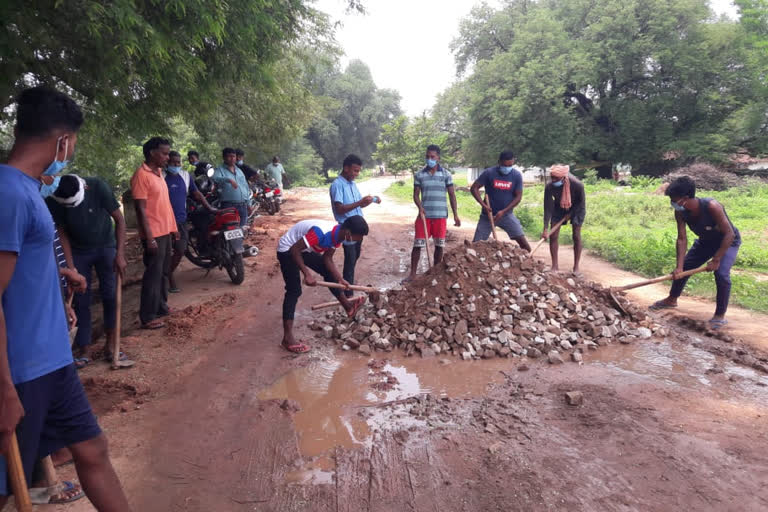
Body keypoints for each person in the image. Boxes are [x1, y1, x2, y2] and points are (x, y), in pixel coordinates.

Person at [0, 86, 132, 512]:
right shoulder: (9, 195)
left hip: (54, 360)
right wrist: (3, 389)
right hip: (21, 370)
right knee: (7, 486)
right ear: (63, 141)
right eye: (72, 143)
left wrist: (62, 272)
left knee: (92, 450)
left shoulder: (29, 190)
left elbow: (17, 262)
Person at [46, 174, 128, 366]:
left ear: (85, 190)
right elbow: (61, 232)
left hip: (106, 247)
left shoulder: (97, 186)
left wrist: (120, 254)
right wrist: (70, 266)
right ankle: (84, 348)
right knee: (81, 298)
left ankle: (112, 344)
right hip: (78, 252)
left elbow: (120, 219)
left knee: (110, 295)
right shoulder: (54, 197)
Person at [650, 176, 741, 330]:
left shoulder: (712, 206)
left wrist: (717, 259)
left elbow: (729, 234)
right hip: (705, 242)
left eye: (674, 199)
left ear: (685, 198)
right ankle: (672, 299)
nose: (672, 203)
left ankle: (719, 315)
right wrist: (679, 267)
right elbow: (681, 239)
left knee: (721, 274)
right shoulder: (680, 212)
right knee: (684, 267)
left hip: (727, 243)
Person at [277, 216, 369, 353]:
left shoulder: (338, 235)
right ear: (348, 233)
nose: (356, 241)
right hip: (288, 249)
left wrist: (340, 279)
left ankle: (348, 306)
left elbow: (327, 258)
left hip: (303, 250)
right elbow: (294, 250)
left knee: (329, 273)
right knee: (294, 290)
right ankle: (287, 339)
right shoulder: (320, 233)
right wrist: (307, 274)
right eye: (357, 238)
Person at [131, 137, 177, 330]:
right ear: (152, 153)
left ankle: (161, 307)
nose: (167, 157)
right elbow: (141, 210)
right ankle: (148, 316)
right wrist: (149, 238)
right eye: (164, 153)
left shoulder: (158, 173)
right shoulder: (141, 176)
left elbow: (164, 205)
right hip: (154, 234)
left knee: (164, 272)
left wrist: (174, 229)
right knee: (153, 275)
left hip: (165, 231)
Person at [404, 145, 460, 282]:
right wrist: (419, 206)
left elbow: (452, 195)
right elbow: (416, 195)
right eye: (427, 156)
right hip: (424, 216)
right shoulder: (419, 175)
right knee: (418, 245)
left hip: (440, 216)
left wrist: (456, 215)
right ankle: (412, 274)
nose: (430, 159)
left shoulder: (446, 174)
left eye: (432, 157)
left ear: (438, 158)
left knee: (439, 246)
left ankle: (434, 272)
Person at [164, 151, 216, 293]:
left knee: (180, 249)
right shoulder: (161, 176)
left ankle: (168, 272)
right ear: (167, 163)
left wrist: (209, 207)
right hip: (163, 222)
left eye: (178, 162)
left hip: (180, 220)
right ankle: (169, 279)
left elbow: (197, 193)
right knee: (166, 252)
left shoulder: (185, 176)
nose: (176, 165)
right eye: (173, 162)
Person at [330, 154, 377, 297]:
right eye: (355, 171)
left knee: (355, 256)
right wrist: (359, 203)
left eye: (358, 171)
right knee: (350, 260)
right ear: (346, 168)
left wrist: (366, 202)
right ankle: (348, 294)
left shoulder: (352, 184)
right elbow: (340, 208)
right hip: (348, 228)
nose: (356, 174)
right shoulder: (337, 185)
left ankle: (348, 284)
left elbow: (356, 206)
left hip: (358, 227)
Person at [470, 150, 530, 251]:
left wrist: (503, 211)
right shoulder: (489, 173)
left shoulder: (516, 175)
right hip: (488, 216)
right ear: (499, 162)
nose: (507, 168)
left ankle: (528, 262)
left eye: (509, 165)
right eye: (504, 165)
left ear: (513, 162)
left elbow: (518, 197)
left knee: (523, 243)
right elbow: (474, 188)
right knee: (476, 246)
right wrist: (483, 205)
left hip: (506, 215)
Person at [541, 164, 586, 274]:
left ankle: (576, 268)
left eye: (556, 178)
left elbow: (581, 203)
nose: (553, 180)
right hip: (559, 206)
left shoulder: (577, 185)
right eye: (552, 178)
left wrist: (570, 214)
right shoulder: (550, 187)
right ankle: (554, 267)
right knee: (553, 235)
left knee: (576, 235)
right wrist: (545, 228)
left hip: (577, 208)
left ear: (563, 177)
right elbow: (547, 208)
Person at [212, 147, 251, 228]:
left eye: (233, 156)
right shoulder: (220, 170)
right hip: (228, 205)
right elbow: (215, 178)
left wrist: (248, 203)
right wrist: (228, 180)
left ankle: (240, 241)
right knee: (229, 229)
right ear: (224, 158)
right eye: (229, 156)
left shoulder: (239, 171)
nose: (232, 158)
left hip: (242, 205)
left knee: (242, 229)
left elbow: (245, 187)